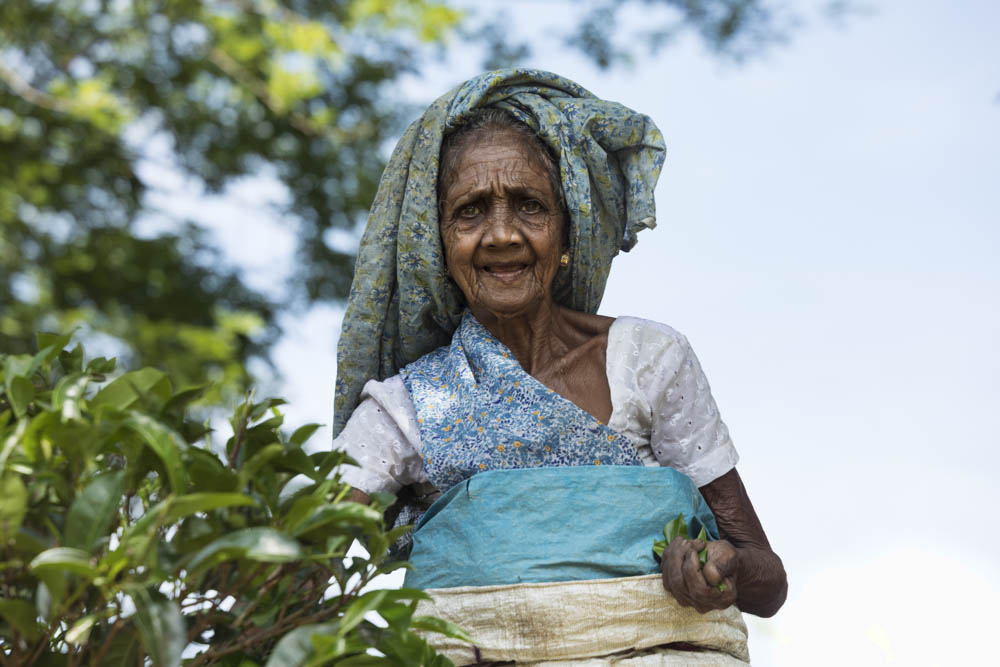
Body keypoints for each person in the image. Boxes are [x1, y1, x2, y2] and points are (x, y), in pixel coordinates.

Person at [333, 69, 786, 665]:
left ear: (568, 228)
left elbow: (769, 583)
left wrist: (721, 566)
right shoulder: (404, 408)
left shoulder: (649, 360)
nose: (501, 235)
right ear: (438, 244)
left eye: (529, 206)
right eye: (470, 212)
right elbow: (299, 562)